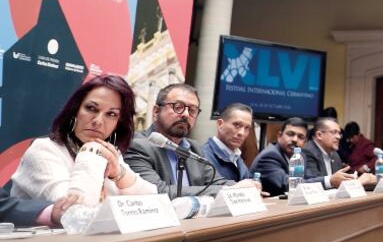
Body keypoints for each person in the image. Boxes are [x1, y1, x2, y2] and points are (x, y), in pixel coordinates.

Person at [12, 75, 155, 203]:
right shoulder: (43, 151)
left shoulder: (109, 153)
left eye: (111, 114)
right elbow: (74, 210)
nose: (98, 121)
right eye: (91, 108)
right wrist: (90, 152)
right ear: (75, 110)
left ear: (118, 123)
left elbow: (153, 203)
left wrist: (118, 173)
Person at [126, 83, 233, 198]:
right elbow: (158, 193)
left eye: (192, 110)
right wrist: (224, 190)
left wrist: (244, 187)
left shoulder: (194, 148)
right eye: (178, 107)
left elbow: (217, 182)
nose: (186, 114)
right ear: (156, 111)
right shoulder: (136, 146)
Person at [249, 117, 308, 196]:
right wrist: (327, 181)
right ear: (279, 136)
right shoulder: (270, 156)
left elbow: (308, 178)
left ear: (305, 142)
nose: (295, 139)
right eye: (290, 134)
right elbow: (289, 185)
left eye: (300, 137)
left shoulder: (301, 156)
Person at [303, 117, 362, 189]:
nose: (338, 137)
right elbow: (311, 184)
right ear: (319, 135)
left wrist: (357, 179)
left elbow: (339, 181)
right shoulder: (308, 151)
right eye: (334, 132)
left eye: (339, 133)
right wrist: (331, 181)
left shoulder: (335, 155)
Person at [202, 102, 254, 182]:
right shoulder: (203, 155)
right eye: (237, 125)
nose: (242, 133)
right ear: (220, 124)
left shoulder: (236, 156)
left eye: (247, 128)